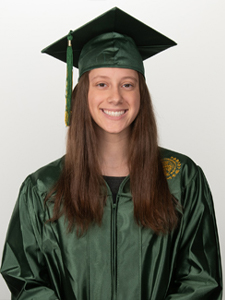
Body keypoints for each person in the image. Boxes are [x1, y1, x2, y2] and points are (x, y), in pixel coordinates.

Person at [0, 7, 222, 300]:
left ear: (140, 93)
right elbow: (25, 279)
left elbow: (201, 280)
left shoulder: (182, 178)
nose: (115, 96)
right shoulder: (42, 188)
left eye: (127, 84)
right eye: (101, 84)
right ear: (82, 94)